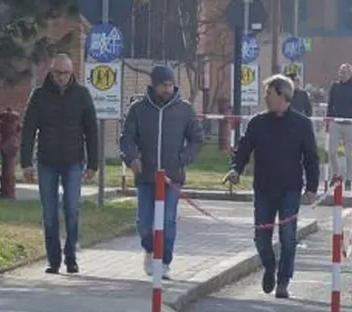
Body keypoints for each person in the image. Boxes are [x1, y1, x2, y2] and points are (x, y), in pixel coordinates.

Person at [223, 74, 320, 299]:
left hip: (290, 189)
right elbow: (244, 149)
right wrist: (236, 169)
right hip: (264, 188)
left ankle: (283, 282)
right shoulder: (258, 123)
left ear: (283, 95)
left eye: (269, 93)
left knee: (288, 236)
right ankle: (269, 267)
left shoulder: (301, 124)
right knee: (261, 238)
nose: (265, 97)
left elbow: (311, 158)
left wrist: (312, 188)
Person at [120, 65, 205, 280]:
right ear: (154, 85)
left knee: (168, 221)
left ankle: (165, 261)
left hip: (172, 177)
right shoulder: (139, 109)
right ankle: (149, 250)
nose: (168, 89)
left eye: (170, 85)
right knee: (144, 222)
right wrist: (132, 158)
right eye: (164, 85)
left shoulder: (184, 109)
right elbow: (127, 138)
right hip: (146, 176)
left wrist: (183, 158)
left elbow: (197, 139)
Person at [20, 53, 99, 275]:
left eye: (66, 73)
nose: (62, 77)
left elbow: (91, 130)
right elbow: (28, 130)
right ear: (51, 72)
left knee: (72, 209)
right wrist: (26, 162)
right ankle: (53, 259)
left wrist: (93, 163)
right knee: (50, 213)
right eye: (58, 72)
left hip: (74, 161)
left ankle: (71, 256)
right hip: (47, 162)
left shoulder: (82, 95)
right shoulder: (39, 96)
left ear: (71, 72)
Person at [326, 63, 352, 189]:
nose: (342, 74)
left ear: (350, 73)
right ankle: (336, 174)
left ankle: (349, 178)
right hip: (336, 123)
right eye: (340, 71)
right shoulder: (335, 86)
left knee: (349, 154)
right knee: (331, 151)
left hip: (349, 124)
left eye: (345, 72)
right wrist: (329, 118)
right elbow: (330, 103)